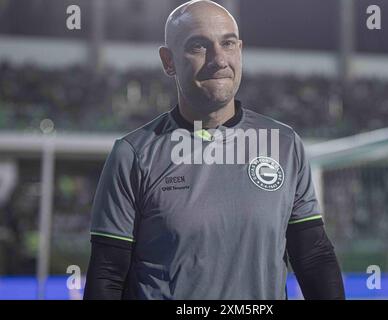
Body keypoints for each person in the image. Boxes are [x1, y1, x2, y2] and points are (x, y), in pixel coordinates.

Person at [83, 0, 345, 300]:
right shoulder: (133, 155)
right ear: (168, 61)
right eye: (198, 46)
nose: (219, 59)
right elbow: (107, 274)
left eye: (228, 43)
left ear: (240, 50)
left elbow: (313, 257)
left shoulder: (284, 144)